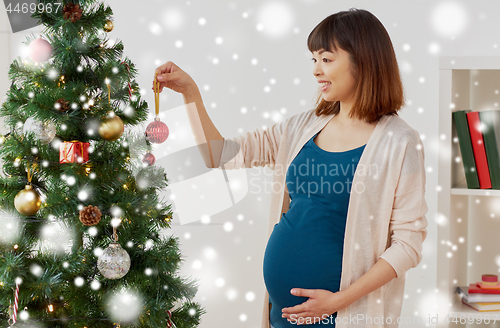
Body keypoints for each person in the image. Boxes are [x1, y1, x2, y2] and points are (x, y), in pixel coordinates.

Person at [154, 8, 428, 328]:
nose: (316, 70)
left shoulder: (400, 142)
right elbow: (218, 155)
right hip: (281, 317)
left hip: (345, 317)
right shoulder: (300, 128)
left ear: (363, 60)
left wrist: (336, 302)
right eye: (313, 60)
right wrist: (191, 93)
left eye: (326, 59)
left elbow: (408, 245)